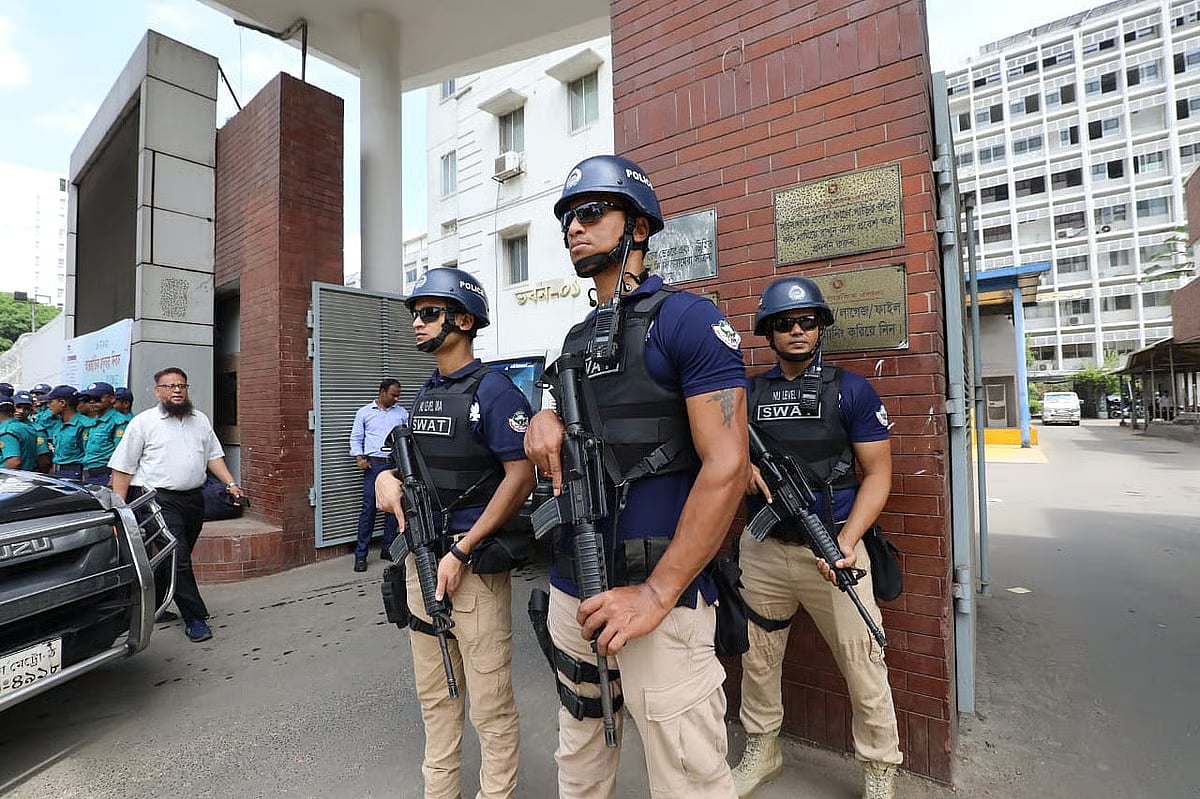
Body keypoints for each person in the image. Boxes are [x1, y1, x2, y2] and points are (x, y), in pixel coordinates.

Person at [523, 155, 749, 798]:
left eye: (591, 212)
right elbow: (574, 421)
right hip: (575, 586)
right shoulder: (573, 339)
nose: (574, 227)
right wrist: (544, 417)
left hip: (661, 598)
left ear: (639, 228)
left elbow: (728, 466)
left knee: (689, 775)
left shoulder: (687, 319)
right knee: (581, 756)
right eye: (568, 216)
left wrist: (655, 593)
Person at [731, 277, 901, 799]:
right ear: (769, 332)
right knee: (757, 658)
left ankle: (879, 768)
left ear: (821, 326)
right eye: (784, 323)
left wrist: (848, 540)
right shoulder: (751, 394)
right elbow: (720, 454)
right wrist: (741, 470)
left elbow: (878, 475)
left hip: (836, 550)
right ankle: (763, 749)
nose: (797, 330)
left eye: (806, 321)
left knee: (862, 661)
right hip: (764, 551)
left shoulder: (851, 390)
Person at [374, 267, 535, 799]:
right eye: (415, 315)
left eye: (429, 314)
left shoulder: (494, 391)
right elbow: (414, 466)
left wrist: (463, 550)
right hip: (423, 562)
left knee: (490, 708)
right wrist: (387, 477)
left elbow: (521, 475)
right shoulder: (423, 394)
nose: (417, 324)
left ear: (464, 321)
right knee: (436, 700)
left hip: (472, 570)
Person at [108, 367, 245, 643]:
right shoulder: (143, 423)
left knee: (176, 557)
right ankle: (195, 617)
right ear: (157, 391)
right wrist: (118, 512)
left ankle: (156, 603)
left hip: (194, 498)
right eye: (169, 386)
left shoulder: (200, 420)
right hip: (157, 499)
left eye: (181, 385)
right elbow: (122, 469)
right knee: (178, 556)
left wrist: (231, 484)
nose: (177, 390)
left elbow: (214, 457)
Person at [349, 378, 409, 571]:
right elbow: (356, 437)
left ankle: (388, 548)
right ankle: (361, 555)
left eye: (398, 395)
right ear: (382, 392)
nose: (396, 398)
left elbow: (408, 438)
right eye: (393, 395)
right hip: (373, 466)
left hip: (394, 465)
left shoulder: (402, 414)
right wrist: (360, 459)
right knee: (369, 510)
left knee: (394, 507)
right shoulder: (365, 413)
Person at [79, 381, 126, 485]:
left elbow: (121, 455)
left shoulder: (118, 422)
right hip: (88, 474)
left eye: (97, 398)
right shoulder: (93, 422)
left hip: (105, 475)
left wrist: (113, 479)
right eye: (88, 399)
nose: (92, 401)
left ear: (112, 399)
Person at [46, 384, 94, 481]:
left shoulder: (84, 425)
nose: (49, 406)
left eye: (51, 402)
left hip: (75, 473)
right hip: (57, 472)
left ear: (62, 403)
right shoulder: (59, 423)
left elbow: (88, 453)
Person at [0, 394, 39, 470]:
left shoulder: (6, 431)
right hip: (27, 476)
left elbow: (14, 462)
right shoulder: (26, 427)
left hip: (11, 479)